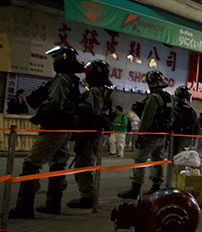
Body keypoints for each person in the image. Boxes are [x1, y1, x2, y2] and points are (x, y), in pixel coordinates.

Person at [9, 45, 83, 218]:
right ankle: (53, 204)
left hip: (54, 128)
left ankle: (25, 207)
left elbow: (55, 102)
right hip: (64, 128)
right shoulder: (73, 80)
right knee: (57, 165)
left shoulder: (62, 78)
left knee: (31, 163)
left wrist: (40, 114)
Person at [117, 70, 172, 199]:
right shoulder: (167, 96)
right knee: (157, 160)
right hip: (162, 134)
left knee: (139, 160)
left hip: (151, 134)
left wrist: (141, 134)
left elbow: (148, 116)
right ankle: (156, 186)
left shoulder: (154, 97)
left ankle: (135, 188)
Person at [68, 60, 112, 209]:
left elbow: (91, 113)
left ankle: (87, 197)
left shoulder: (95, 91)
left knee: (83, 165)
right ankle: (87, 195)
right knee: (84, 163)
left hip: (88, 134)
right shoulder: (102, 90)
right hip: (91, 134)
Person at [172, 85, 199, 153]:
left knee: (175, 156)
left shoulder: (174, 108)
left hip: (176, 137)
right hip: (187, 137)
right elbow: (196, 125)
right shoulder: (191, 110)